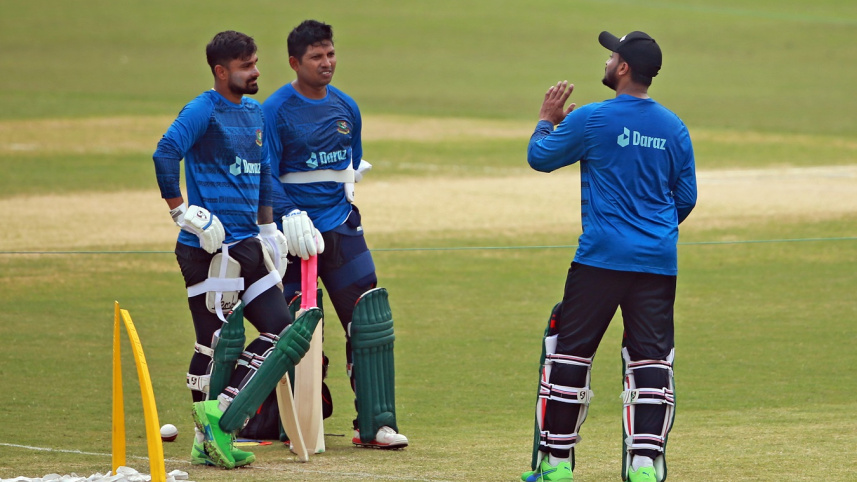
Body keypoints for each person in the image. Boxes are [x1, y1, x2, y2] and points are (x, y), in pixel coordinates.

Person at [520, 31, 697, 482]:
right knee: (651, 363)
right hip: (657, 262)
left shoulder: (595, 119)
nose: (607, 58)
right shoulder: (674, 127)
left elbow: (540, 157)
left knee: (569, 356)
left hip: (599, 259)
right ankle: (644, 469)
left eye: (611, 54)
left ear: (622, 68)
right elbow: (686, 197)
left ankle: (557, 466)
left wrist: (547, 120)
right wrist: (651, 231)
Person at [152, 30, 319, 469]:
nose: (256, 71)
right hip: (206, 250)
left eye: (256, 62)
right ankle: (204, 436)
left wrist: (268, 228)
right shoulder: (202, 110)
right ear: (221, 71)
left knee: (282, 331)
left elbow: (264, 172)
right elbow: (165, 152)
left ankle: (221, 416)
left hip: (248, 244)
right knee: (212, 342)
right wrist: (182, 213)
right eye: (246, 66)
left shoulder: (256, 114)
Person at [263, 19, 408, 449]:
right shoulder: (274, 110)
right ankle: (291, 423)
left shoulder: (346, 107)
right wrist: (287, 216)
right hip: (292, 238)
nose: (327, 63)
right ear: (294, 62)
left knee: (369, 319)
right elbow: (265, 174)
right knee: (291, 326)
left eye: (330, 54)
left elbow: (349, 165)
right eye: (316, 57)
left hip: (341, 229)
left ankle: (376, 424)